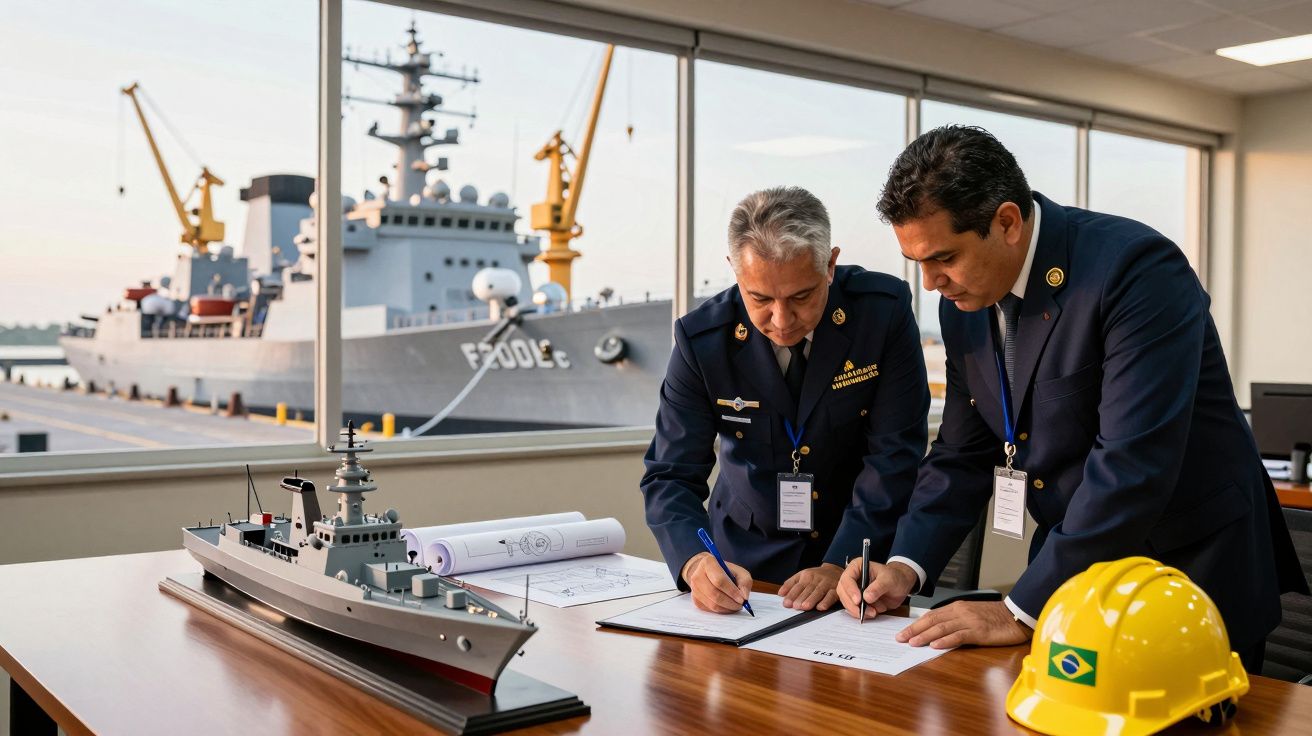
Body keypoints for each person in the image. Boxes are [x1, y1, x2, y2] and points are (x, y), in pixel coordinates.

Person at [837, 125, 1307, 672]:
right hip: (1077, 576)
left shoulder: (1135, 270)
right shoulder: (962, 303)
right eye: (915, 261)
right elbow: (961, 453)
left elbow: (1132, 463)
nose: (930, 282)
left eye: (943, 256)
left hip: (1187, 573)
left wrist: (1018, 611)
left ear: (1007, 222)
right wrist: (905, 565)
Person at [641, 186, 929, 614]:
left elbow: (894, 455)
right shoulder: (702, 341)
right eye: (759, 298)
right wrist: (696, 562)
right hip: (745, 570)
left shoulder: (880, 314)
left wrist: (842, 561)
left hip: (860, 565)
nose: (781, 320)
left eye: (801, 297)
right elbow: (670, 474)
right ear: (735, 274)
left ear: (830, 265)